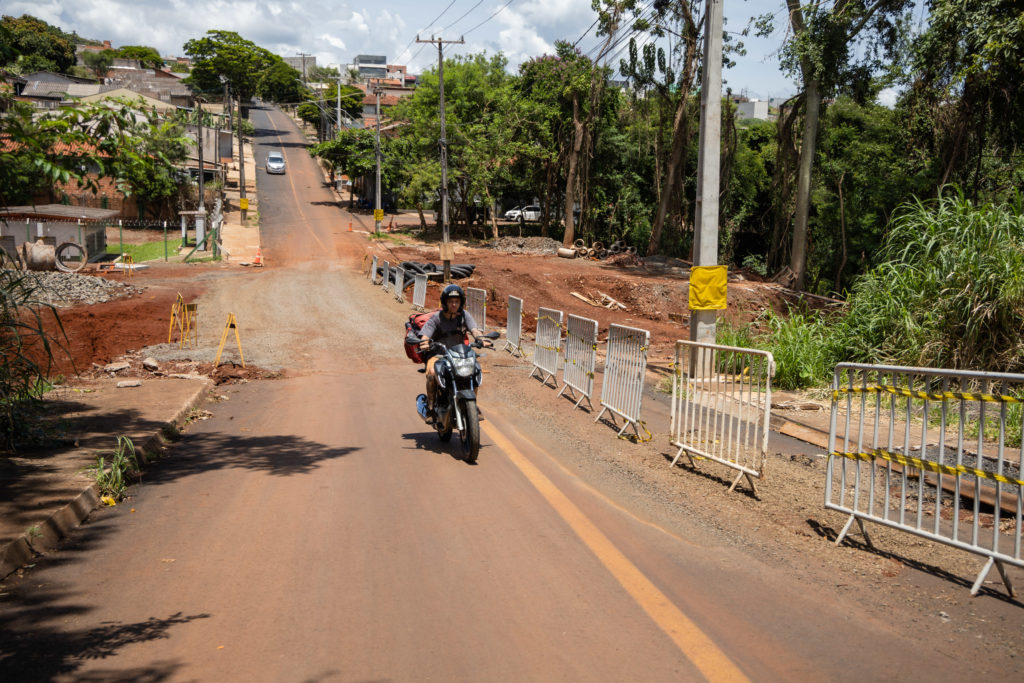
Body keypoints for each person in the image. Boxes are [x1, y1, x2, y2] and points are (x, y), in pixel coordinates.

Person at [419, 284, 491, 418]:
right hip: (438, 354)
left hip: (458, 354)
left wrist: (481, 339)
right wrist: (424, 343)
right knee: (431, 372)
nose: (454, 304)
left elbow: (474, 329)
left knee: (474, 370)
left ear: (461, 303)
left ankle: (473, 405)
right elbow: (425, 336)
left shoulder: (464, 316)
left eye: (457, 301)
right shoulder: (436, 318)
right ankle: (430, 407)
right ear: (445, 302)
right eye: (451, 301)